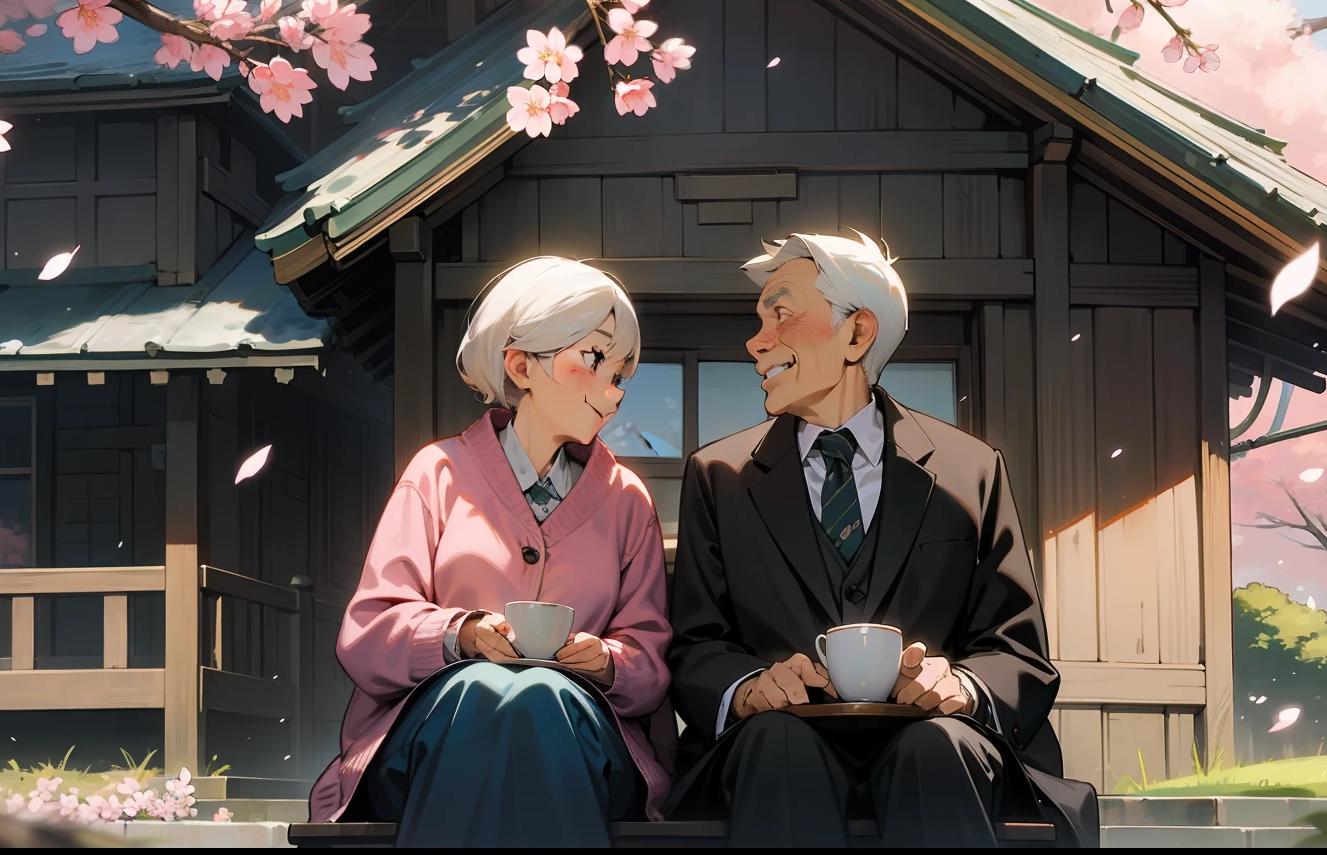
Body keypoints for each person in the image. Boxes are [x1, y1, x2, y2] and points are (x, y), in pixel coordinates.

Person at [666, 232, 1098, 847]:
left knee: (937, 745)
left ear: (857, 334)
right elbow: (697, 644)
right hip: (774, 746)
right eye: (758, 320)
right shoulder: (718, 476)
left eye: (781, 313)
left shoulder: (970, 468)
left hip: (937, 744)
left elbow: (1017, 649)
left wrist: (964, 687)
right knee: (778, 743)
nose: (756, 341)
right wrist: (747, 690)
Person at [308, 256, 674, 846]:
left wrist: (604, 661)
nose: (616, 389)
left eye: (624, 371)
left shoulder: (627, 499)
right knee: (479, 689)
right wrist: (460, 635)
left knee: (544, 694)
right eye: (596, 358)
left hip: (583, 738)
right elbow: (369, 629)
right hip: (434, 729)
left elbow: (650, 659)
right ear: (521, 364)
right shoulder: (438, 472)